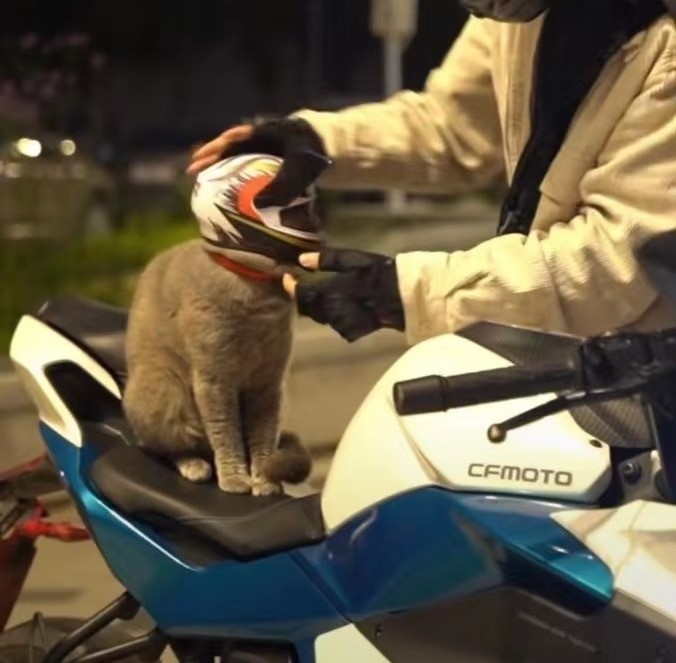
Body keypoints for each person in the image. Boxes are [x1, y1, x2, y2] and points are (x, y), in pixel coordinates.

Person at [187, 0, 676, 346]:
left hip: (653, 377)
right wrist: (315, 140)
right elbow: (454, 128)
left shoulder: (664, 40)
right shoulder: (521, 15)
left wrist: (404, 290)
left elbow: (615, 263)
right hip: (575, 352)